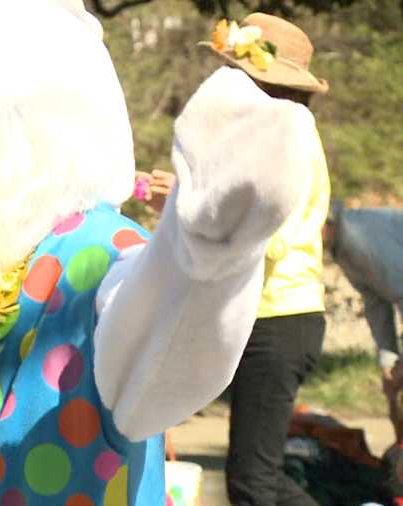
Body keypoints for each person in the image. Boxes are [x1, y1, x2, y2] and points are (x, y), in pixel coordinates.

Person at [139, 14, 331, 505]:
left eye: (234, 71)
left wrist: (184, 205)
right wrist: (186, 201)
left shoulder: (289, 138)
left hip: (279, 320)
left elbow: (269, 238)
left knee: (253, 481)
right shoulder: (269, 136)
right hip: (267, 318)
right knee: (254, 478)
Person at [324, 201, 403, 443]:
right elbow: (376, 303)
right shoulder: (342, 248)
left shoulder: (357, 235)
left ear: (326, 225)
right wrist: (388, 361)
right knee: (394, 389)